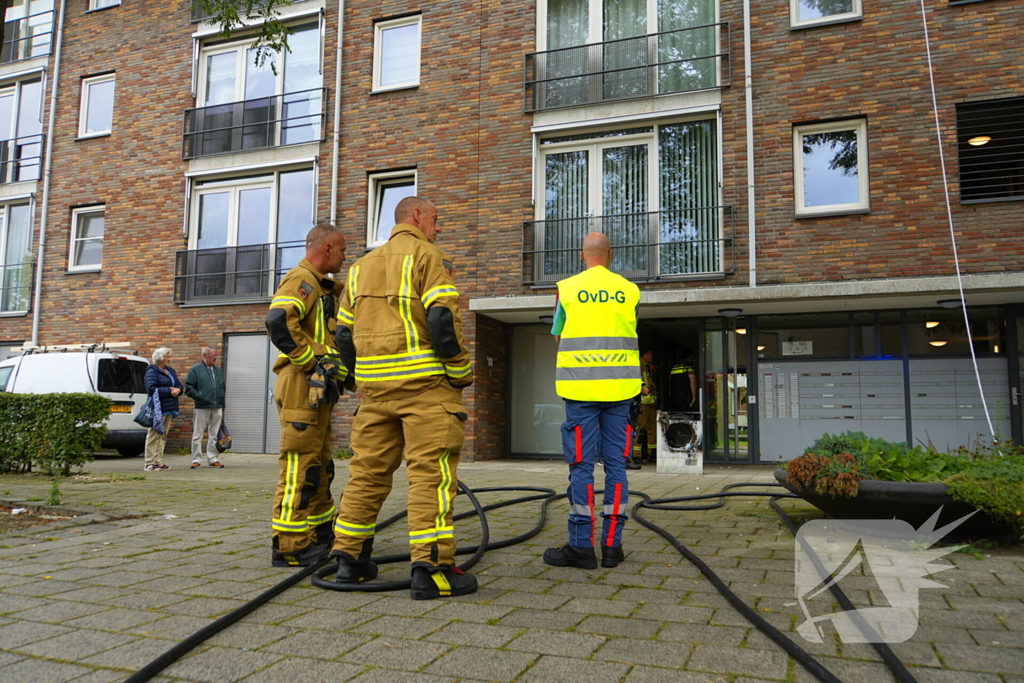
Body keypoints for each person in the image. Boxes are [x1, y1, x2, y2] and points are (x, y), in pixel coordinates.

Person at [330, 196, 476, 601]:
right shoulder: (430, 257)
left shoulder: (359, 268)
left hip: (375, 393)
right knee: (431, 476)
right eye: (436, 218)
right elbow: (442, 319)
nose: (438, 227)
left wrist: (356, 381)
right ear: (416, 216)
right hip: (425, 389)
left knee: (366, 475)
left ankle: (350, 561)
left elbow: (343, 335)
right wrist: (460, 372)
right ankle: (431, 569)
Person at [543, 232, 641, 571]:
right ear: (610, 255)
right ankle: (612, 547)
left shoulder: (567, 288)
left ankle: (581, 547)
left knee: (582, 468)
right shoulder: (630, 290)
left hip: (581, 392)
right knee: (616, 468)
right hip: (620, 392)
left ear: (582, 255)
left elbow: (559, 334)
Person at [265, 223, 349, 568]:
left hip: (316, 389)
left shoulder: (320, 286)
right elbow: (278, 321)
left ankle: (318, 534)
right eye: (342, 250)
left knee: (319, 465)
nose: (345, 256)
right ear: (326, 248)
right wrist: (312, 362)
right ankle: (289, 545)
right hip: (302, 385)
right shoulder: (302, 280)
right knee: (300, 465)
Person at [184, 346, 226, 469]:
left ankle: (213, 458)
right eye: (213, 356)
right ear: (205, 356)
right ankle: (196, 459)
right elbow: (189, 388)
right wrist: (200, 397)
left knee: (214, 434)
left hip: (217, 406)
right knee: (198, 434)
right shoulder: (195, 370)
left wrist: (222, 406)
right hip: (202, 406)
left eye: (215, 356)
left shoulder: (218, 370)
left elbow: (223, 388)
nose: (215, 358)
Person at [143, 347, 182, 472]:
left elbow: (178, 384)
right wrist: (170, 391)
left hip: (169, 407)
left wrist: (179, 390)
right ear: (160, 358)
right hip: (157, 408)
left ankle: (158, 461)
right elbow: (150, 388)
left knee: (163, 435)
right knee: (154, 435)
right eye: (167, 357)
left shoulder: (170, 371)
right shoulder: (151, 371)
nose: (169, 359)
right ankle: (149, 462)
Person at [634, 348, 658, 463]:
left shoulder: (647, 366)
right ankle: (636, 454)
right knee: (641, 428)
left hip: (650, 403)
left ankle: (652, 453)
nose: (652, 358)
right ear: (645, 354)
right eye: (651, 355)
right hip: (642, 402)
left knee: (652, 429)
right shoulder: (638, 364)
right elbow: (639, 380)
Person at [670, 348, 698, 414]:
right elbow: (693, 381)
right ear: (690, 357)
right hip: (685, 397)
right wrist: (694, 397)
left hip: (674, 397)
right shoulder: (688, 367)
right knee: (688, 416)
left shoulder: (674, 367)